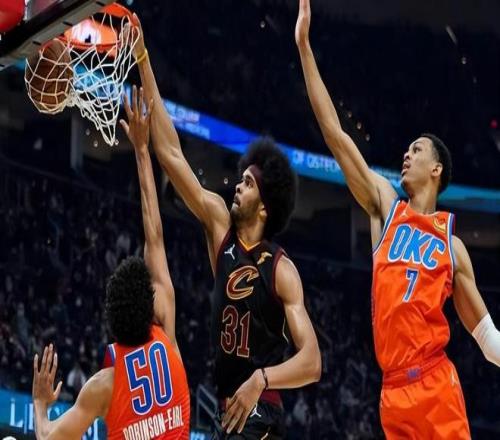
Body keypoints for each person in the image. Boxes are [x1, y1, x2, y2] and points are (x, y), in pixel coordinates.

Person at [295, 1, 500, 438]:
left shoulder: (451, 245)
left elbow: (488, 340)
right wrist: (304, 49)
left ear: (436, 168)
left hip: (436, 386)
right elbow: (335, 136)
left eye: (416, 150)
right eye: (407, 150)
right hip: (392, 393)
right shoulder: (386, 208)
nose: (406, 155)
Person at [131, 15, 321, 438]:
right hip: (229, 410)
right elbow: (172, 155)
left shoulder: (281, 270)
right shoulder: (220, 226)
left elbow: (312, 362)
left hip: (260, 410)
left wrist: (262, 379)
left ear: (265, 207)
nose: (237, 185)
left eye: (248, 183)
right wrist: (142, 57)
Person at [32, 87, 190, 439]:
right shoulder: (166, 332)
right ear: (150, 306)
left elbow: (47, 437)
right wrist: (142, 151)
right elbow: (154, 234)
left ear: (112, 320)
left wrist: (41, 405)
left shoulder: (104, 385)